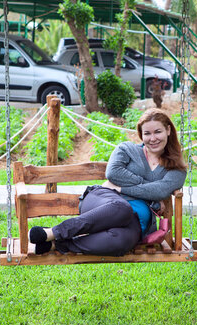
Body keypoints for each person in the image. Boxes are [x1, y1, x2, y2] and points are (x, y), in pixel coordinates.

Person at [29, 108, 187, 256]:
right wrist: (146, 190)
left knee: (121, 242)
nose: (152, 138)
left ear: (168, 130)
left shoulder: (176, 168)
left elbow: (159, 191)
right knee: (122, 208)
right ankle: (53, 232)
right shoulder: (126, 149)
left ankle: (58, 244)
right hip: (102, 199)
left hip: (136, 221)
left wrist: (120, 188)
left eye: (158, 132)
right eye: (147, 133)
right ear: (141, 135)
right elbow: (112, 173)